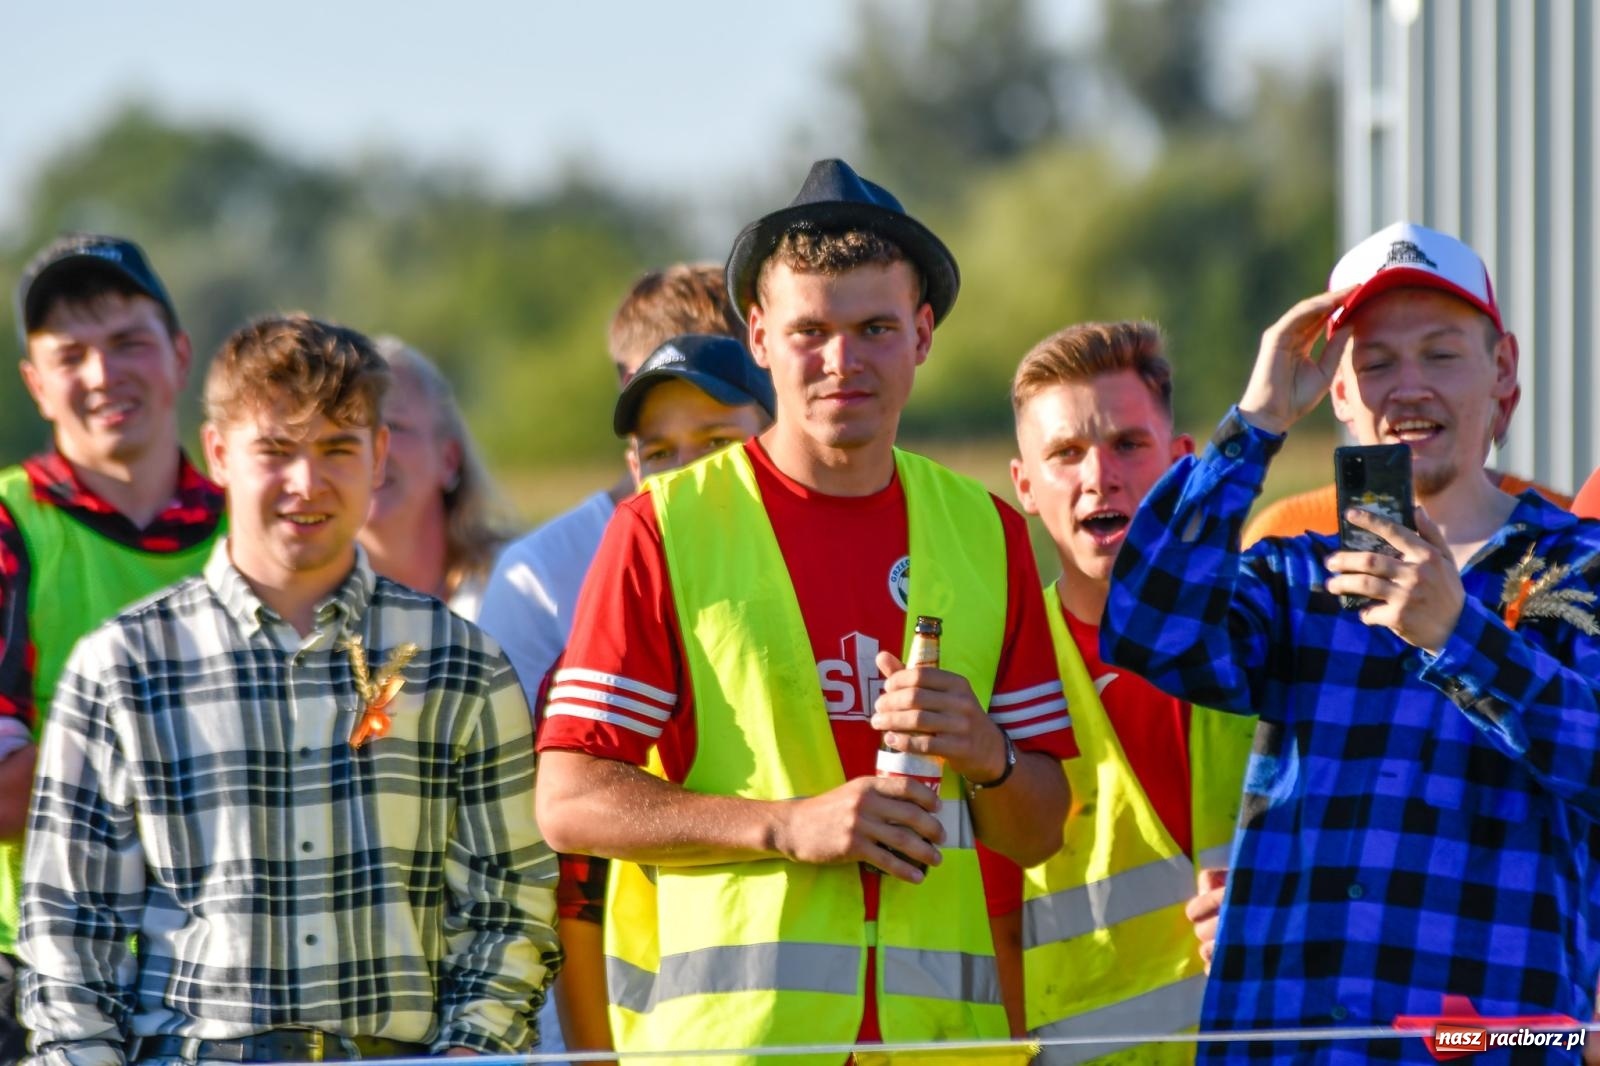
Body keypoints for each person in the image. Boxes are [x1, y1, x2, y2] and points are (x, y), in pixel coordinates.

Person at [533, 158, 1074, 1062]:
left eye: (874, 328)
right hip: (741, 1048)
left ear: (924, 334)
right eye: (809, 331)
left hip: (946, 1048)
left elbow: (1041, 829)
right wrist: (786, 825)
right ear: (757, 336)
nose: (841, 362)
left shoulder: (991, 533)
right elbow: (570, 799)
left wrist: (988, 751)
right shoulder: (661, 527)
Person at [1101, 220, 1600, 1063]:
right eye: (1374, 363)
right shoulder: (1297, 576)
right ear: (1336, 394)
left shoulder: (1578, 564)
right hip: (1289, 1042)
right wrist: (1256, 418)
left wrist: (1460, 634)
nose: (1408, 387)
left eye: (1441, 354)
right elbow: (1149, 624)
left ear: (1503, 369)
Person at [18, 314, 561, 1065]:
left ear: (378, 456)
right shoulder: (120, 668)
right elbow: (71, 932)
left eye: (338, 448)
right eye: (275, 450)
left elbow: (511, 908)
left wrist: (469, 1053)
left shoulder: (461, 665)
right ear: (217, 454)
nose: (306, 483)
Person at [0, 235, 225, 1066]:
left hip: (243, 983)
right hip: (46, 984)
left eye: (128, 341)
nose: (102, 375)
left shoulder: (265, 525)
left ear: (178, 352)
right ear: (35, 383)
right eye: (70, 355)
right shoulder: (8, 529)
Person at [1008, 321, 1258, 1063]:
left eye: (1127, 445)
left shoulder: (1273, 628)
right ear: (1023, 485)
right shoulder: (1004, 671)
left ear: (1184, 462)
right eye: (1064, 454)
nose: (1098, 476)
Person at [478, 263, 745, 709]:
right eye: (675, 372)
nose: (695, 392)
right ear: (631, 382)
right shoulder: (536, 573)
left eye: (731, 378)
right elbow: (512, 768)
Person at [358, 335, 514, 619]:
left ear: (449, 460)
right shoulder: (299, 605)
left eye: (393, 426)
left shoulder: (522, 583)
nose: (371, 450)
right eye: (352, 431)